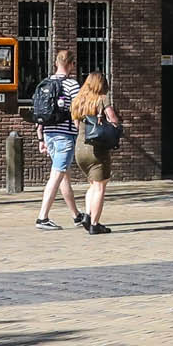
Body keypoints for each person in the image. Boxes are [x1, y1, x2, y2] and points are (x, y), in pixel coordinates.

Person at [31, 47, 84, 232]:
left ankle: (77, 216)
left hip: (49, 134)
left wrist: (40, 139)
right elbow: (77, 112)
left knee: (64, 177)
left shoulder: (45, 83)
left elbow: (40, 113)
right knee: (56, 176)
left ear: (56, 63)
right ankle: (42, 217)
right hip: (65, 136)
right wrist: (82, 134)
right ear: (71, 64)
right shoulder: (72, 85)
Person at [71, 68, 119, 234]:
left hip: (80, 149)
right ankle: (95, 224)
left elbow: (77, 126)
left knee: (92, 185)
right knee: (100, 187)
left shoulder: (79, 101)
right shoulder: (102, 99)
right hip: (97, 150)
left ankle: (87, 215)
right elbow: (112, 118)